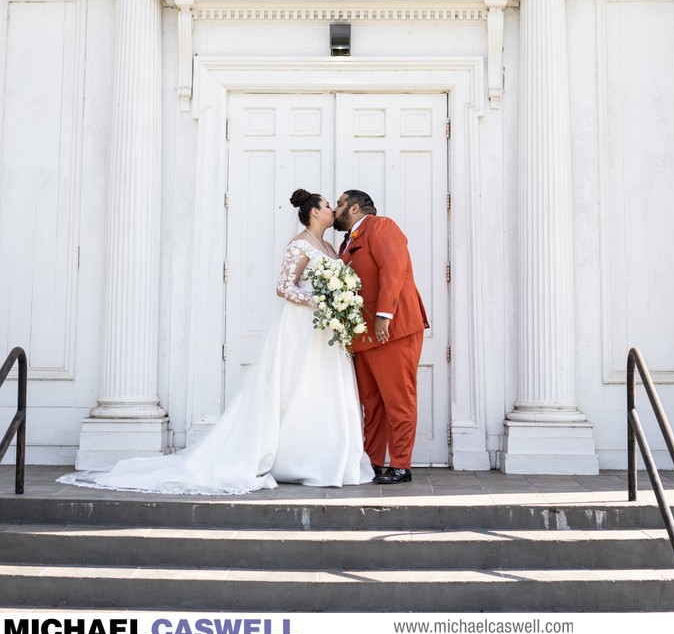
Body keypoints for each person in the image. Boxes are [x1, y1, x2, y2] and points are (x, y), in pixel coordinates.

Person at [58, 190, 373, 494]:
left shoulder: (330, 247)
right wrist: (321, 300)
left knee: (321, 389)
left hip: (323, 332)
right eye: (329, 205)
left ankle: (322, 455)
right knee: (297, 386)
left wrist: (337, 302)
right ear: (315, 212)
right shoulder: (300, 244)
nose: (334, 210)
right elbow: (284, 287)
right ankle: (293, 459)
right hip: (301, 328)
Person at [334, 190, 429, 485]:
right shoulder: (347, 242)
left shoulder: (381, 226)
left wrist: (384, 316)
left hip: (391, 330)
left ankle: (401, 464)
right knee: (371, 403)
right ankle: (373, 461)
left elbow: (394, 269)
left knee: (398, 400)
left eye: (338, 204)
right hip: (362, 336)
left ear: (354, 208)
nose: (334, 210)